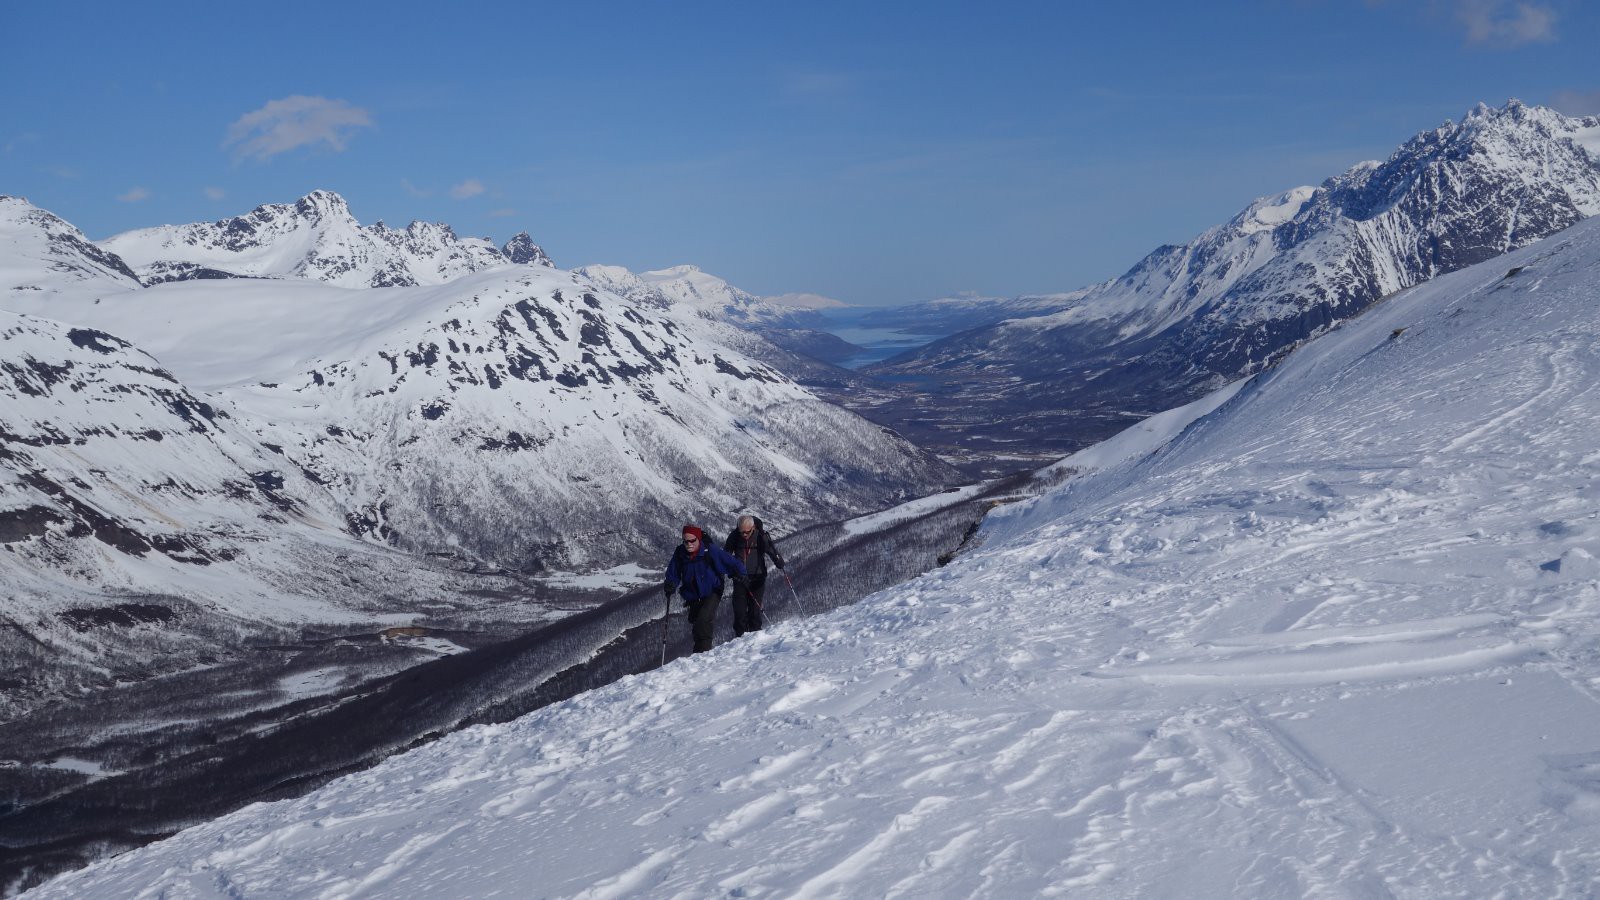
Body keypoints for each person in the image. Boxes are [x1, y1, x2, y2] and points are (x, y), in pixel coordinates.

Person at [663, 524, 748, 653]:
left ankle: (702, 654)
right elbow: (673, 572)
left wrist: (741, 573)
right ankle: (700, 653)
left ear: (698, 539)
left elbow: (729, 561)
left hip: (712, 590)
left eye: (692, 540)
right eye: (685, 541)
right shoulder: (680, 553)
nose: (688, 544)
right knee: (697, 624)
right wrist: (670, 584)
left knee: (703, 620)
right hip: (693, 594)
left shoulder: (709, 550)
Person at [723, 515, 786, 637]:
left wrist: (779, 562)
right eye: (741, 532)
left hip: (758, 577)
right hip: (740, 578)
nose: (744, 535)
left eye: (747, 532)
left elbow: (771, 550)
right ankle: (740, 638)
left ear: (753, 528)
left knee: (754, 611)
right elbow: (726, 557)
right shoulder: (734, 536)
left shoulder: (761, 536)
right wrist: (732, 572)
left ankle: (755, 638)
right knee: (739, 611)